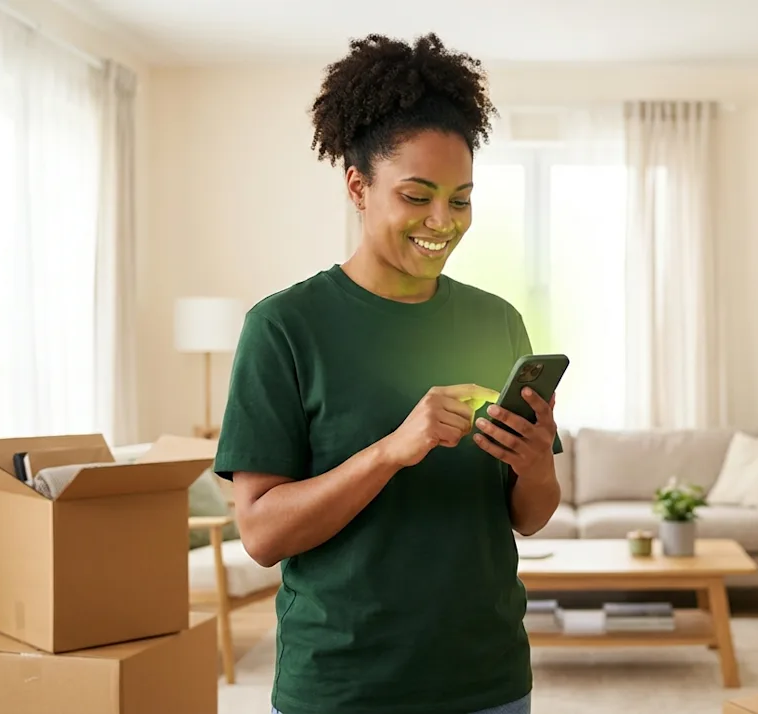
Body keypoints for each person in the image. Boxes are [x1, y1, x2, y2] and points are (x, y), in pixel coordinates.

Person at [212, 32, 564, 714]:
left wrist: (538, 461)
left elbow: (529, 517)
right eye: (417, 195)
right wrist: (392, 451)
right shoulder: (284, 328)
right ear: (357, 186)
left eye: (461, 199)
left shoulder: (496, 322)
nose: (443, 221)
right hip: (344, 686)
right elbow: (259, 534)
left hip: (486, 680)